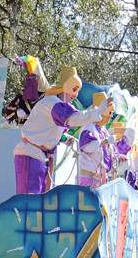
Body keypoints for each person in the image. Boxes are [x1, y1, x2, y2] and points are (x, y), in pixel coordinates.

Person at [13, 66, 112, 194]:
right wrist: (98, 111)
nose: (75, 95)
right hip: (31, 156)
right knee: (29, 203)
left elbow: (47, 128)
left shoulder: (54, 104)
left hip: (38, 157)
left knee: (37, 204)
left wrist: (64, 138)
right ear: (65, 87)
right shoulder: (53, 103)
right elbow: (74, 118)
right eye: (74, 90)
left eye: (78, 91)